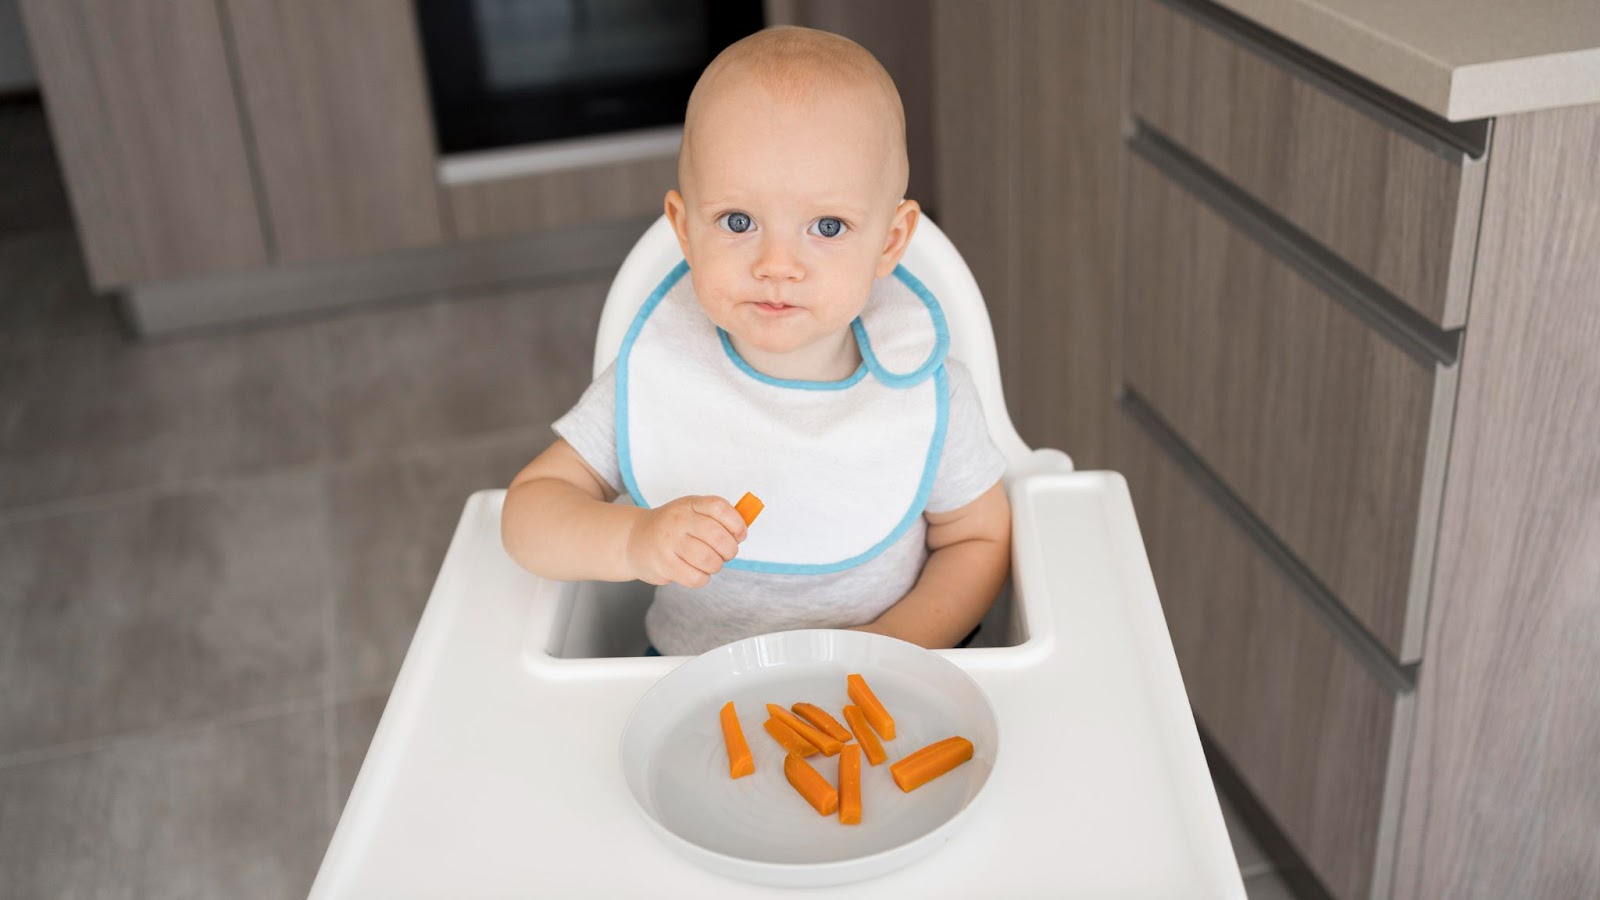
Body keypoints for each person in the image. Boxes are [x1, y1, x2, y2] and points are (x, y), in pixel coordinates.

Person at [501, 26, 1011, 656]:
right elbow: (528, 516)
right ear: (685, 231)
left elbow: (978, 539)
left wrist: (890, 647)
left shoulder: (930, 392)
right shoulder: (664, 370)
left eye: (828, 226)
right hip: (693, 696)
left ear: (891, 241)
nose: (777, 263)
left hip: (878, 699)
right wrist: (633, 539)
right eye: (738, 222)